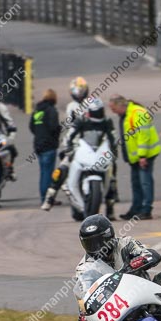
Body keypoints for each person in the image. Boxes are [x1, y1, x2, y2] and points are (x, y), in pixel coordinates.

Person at [56, 97, 118, 219]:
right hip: (81, 152)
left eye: (99, 111)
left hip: (99, 152)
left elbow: (113, 137)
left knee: (113, 172)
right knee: (64, 168)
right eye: (95, 111)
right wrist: (68, 148)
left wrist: (114, 152)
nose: (97, 114)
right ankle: (55, 193)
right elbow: (69, 136)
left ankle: (110, 206)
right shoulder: (80, 121)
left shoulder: (106, 122)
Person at [108, 95, 160, 220]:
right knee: (136, 183)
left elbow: (144, 136)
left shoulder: (137, 113)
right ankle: (135, 209)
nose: (113, 112)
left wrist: (142, 156)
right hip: (135, 157)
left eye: (114, 109)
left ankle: (146, 209)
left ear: (120, 105)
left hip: (145, 155)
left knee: (145, 182)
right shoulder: (126, 115)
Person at [43, 77, 91, 208]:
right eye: (76, 90)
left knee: (109, 162)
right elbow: (71, 125)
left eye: (81, 90)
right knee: (63, 166)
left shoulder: (92, 103)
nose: (79, 93)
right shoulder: (71, 106)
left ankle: (111, 195)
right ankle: (50, 195)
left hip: (91, 141)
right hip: (75, 141)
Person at [29, 89, 61, 204]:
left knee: (43, 172)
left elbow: (32, 127)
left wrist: (39, 135)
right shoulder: (51, 110)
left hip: (38, 145)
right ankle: (47, 199)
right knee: (48, 173)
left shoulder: (37, 110)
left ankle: (44, 197)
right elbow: (54, 127)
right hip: (49, 145)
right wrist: (58, 133)